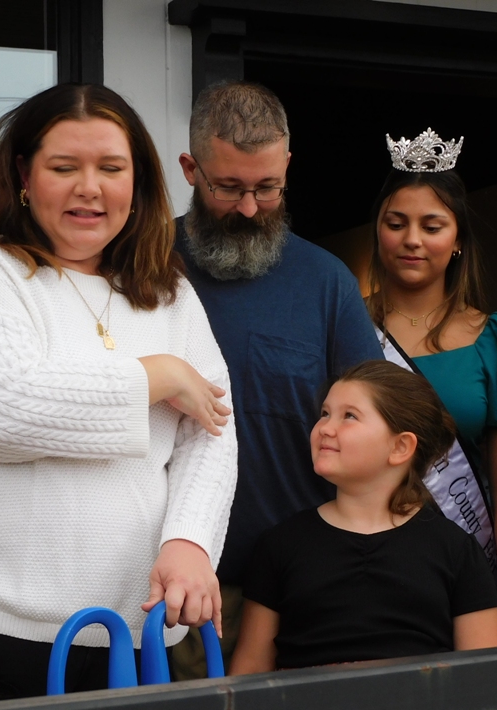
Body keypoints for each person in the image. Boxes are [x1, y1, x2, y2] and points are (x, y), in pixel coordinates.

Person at [0, 83, 238, 705]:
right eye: (64, 167)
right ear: (24, 176)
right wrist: (157, 376)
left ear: (138, 181)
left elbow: (211, 432)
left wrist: (190, 542)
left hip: (132, 625)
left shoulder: (170, 294)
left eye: (111, 168)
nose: (89, 188)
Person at [171, 81, 383, 676]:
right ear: (190, 169)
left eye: (267, 188)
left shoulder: (327, 281)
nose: (248, 208)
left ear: (288, 166)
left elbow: (374, 431)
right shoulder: (142, 264)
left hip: (302, 594)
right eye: (228, 187)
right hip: (172, 595)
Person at [223, 360, 497, 710]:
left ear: (400, 447)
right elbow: (251, 669)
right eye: (324, 413)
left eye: (349, 416)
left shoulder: (455, 550)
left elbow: (483, 683)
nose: (325, 427)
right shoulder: (280, 545)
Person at [367, 128, 497, 643]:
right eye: (396, 223)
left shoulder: (495, 338)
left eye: (432, 225)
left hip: (465, 573)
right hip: (366, 566)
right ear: (378, 231)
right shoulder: (344, 327)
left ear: (459, 238)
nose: (412, 239)